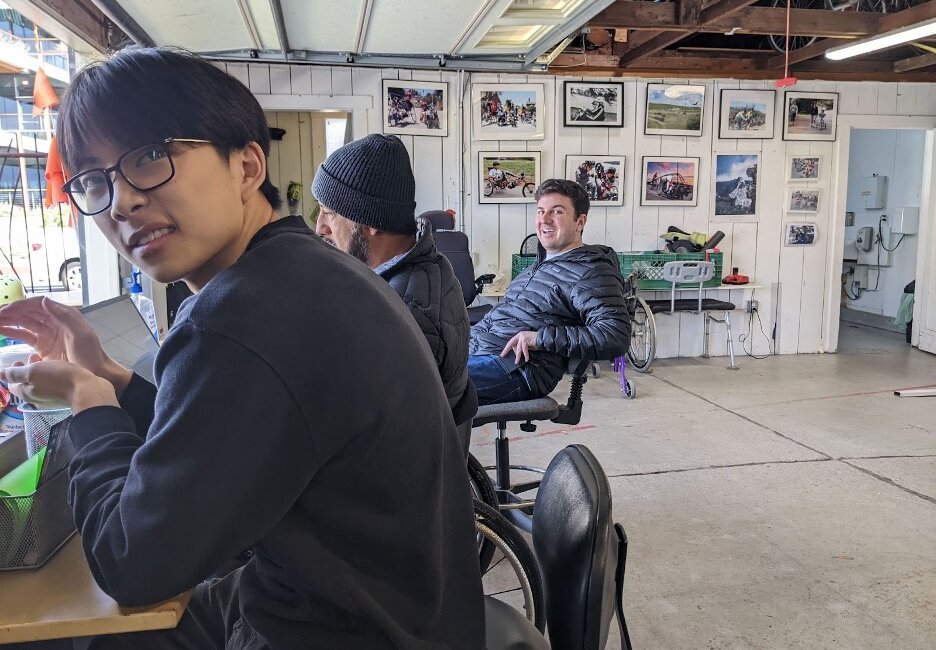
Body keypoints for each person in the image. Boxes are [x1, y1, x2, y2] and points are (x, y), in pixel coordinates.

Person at [0, 47, 483, 649]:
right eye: (94, 179)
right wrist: (111, 378)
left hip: (343, 628)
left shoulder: (241, 316)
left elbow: (132, 565)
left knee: (94, 635)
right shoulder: (301, 272)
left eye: (151, 155)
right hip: (404, 610)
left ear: (247, 166)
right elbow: (223, 435)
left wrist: (87, 400)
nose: (121, 201)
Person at [312, 133, 477, 431]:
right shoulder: (425, 267)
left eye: (329, 213)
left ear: (371, 220)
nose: (320, 227)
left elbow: (376, 431)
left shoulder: (404, 310)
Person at [467, 179, 630, 405]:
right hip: (482, 352)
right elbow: (501, 316)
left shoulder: (592, 270)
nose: (544, 220)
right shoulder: (533, 269)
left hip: (519, 368)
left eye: (557, 211)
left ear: (580, 221)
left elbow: (615, 336)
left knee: (421, 386)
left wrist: (539, 338)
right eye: (541, 211)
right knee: (410, 368)